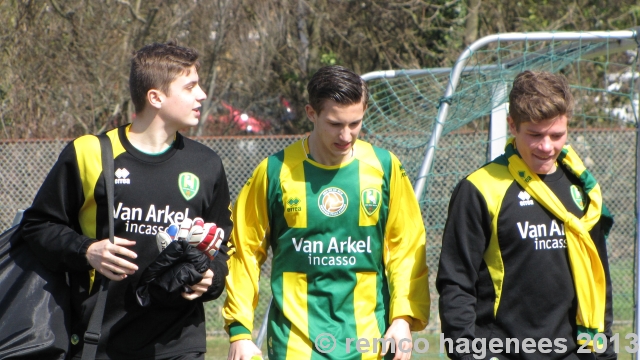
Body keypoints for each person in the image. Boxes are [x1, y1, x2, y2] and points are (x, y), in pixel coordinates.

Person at [20, 41, 232, 359]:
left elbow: (221, 247)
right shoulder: (90, 153)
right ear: (156, 97)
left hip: (177, 343)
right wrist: (87, 250)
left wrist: (210, 279)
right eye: (190, 87)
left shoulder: (206, 164)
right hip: (101, 339)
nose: (201, 94)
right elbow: (37, 227)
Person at [222, 65, 431, 360]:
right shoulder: (274, 172)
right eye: (335, 124)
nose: (346, 135)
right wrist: (240, 330)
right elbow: (244, 250)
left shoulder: (384, 168)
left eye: (355, 123)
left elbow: (406, 248)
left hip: (369, 342)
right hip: (295, 345)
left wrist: (402, 320)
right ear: (311, 113)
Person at [436, 70, 615, 360]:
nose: (547, 147)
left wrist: (605, 352)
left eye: (557, 135)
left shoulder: (583, 188)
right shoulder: (480, 188)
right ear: (513, 126)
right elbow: (456, 282)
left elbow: (599, 277)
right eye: (535, 135)